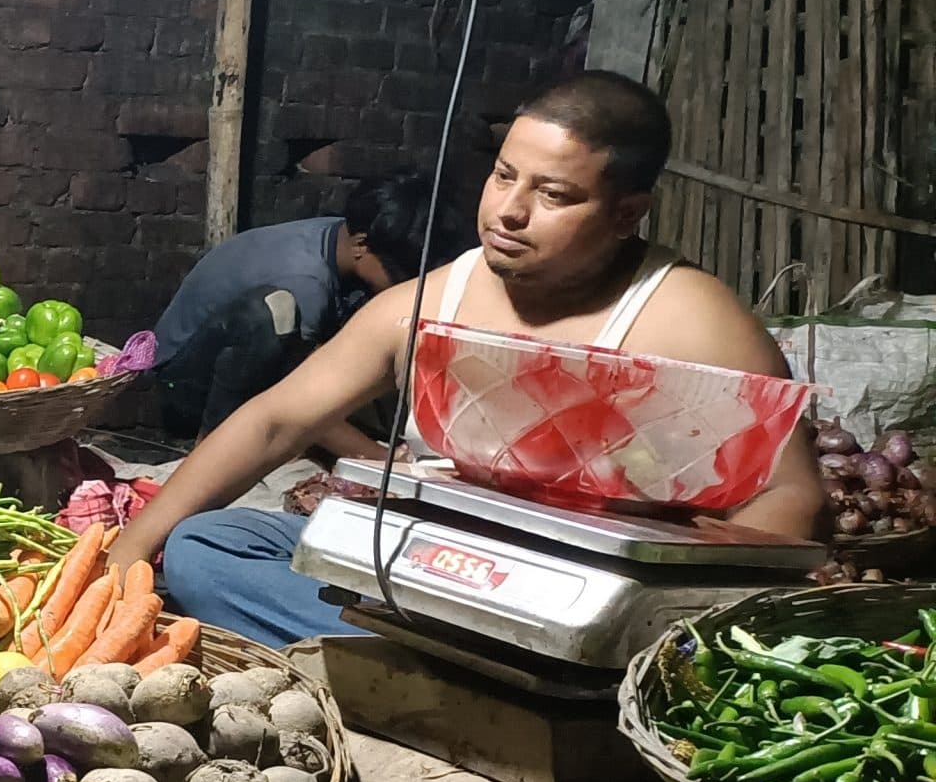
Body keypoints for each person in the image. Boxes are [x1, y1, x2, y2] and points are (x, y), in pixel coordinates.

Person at [106, 72, 825, 647]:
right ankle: (445, 659)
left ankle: (452, 660)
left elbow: (793, 494)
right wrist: (124, 559)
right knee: (209, 546)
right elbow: (274, 422)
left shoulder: (689, 316)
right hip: (438, 569)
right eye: (505, 175)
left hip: (585, 595)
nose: (510, 211)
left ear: (627, 213)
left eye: (554, 194)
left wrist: (687, 582)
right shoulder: (431, 302)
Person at [152, 169, 471, 453]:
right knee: (270, 316)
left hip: (249, 365)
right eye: (400, 273)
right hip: (184, 387)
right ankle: (208, 449)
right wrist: (381, 460)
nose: (406, 284)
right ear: (362, 245)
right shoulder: (304, 279)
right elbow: (303, 401)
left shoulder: (342, 236)